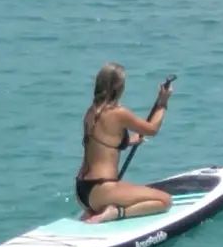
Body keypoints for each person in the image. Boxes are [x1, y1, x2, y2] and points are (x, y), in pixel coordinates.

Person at [74, 63, 175, 223]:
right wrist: (162, 102)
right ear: (118, 87)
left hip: (82, 191)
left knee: (124, 192)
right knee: (165, 201)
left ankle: (98, 208)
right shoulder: (118, 113)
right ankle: (116, 212)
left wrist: (130, 141)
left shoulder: (91, 113)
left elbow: (102, 143)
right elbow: (152, 128)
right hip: (102, 188)